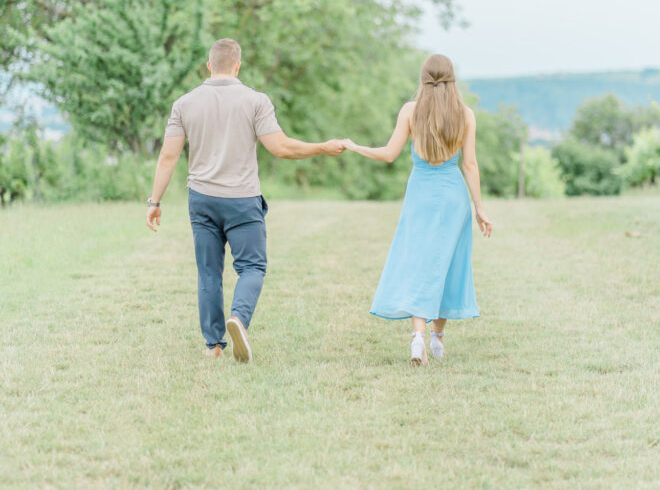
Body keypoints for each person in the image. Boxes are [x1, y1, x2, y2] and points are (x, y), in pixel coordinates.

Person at [146, 38, 344, 363]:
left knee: (208, 272)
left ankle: (213, 346)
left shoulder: (185, 103)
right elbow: (280, 148)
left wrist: (154, 201)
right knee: (252, 266)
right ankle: (238, 317)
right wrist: (323, 146)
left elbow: (168, 156)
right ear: (238, 66)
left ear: (208, 66)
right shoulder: (256, 101)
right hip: (241, 199)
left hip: (201, 199)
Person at [343, 54, 492, 366]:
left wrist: (355, 146)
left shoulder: (411, 111)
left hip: (421, 196)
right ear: (452, 79)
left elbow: (388, 154)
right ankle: (437, 338)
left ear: (423, 78)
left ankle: (418, 339)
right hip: (453, 197)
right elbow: (470, 165)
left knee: (418, 262)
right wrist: (479, 208)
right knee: (446, 264)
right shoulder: (465, 115)